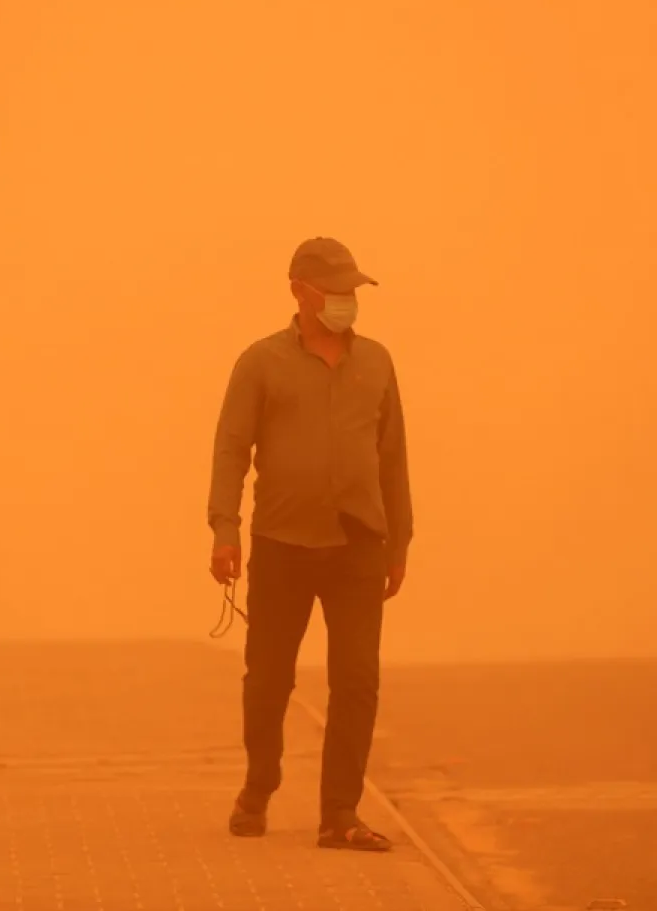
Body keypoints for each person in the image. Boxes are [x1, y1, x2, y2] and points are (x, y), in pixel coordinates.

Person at [207, 236, 413, 853]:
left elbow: (393, 458)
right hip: (282, 543)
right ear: (300, 291)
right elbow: (230, 449)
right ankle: (259, 782)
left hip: (358, 545)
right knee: (268, 679)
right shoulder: (260, 363)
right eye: (338, 290)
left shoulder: (376, 362)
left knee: (356, 679)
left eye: (354, 290)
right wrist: (225, 530)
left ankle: (340, 812)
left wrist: (398, 540)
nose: (349, 300)